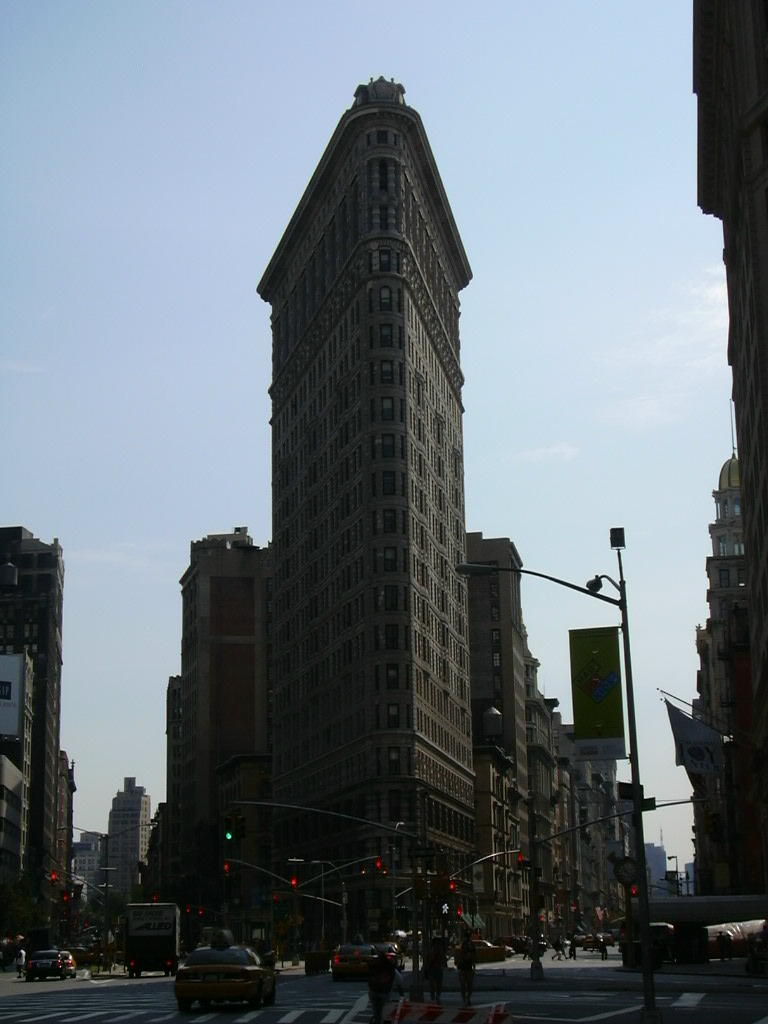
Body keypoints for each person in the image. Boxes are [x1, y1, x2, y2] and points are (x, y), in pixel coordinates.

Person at [368, 948, 404, 1024]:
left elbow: (369, 978)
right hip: (385, 992)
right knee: (385, 1012)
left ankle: (376, 1019)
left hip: (373, 991)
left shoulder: (374, 966)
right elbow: (400, 981)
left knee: (376, 1011)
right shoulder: (391, 969)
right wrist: (401, 995)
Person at [454, 932, 476, 1007]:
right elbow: (472, 957)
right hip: (465, 968)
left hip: (466, 968)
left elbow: (473, 957)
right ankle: (466, 999)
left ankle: (466, 999)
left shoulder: (468, 945)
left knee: (466, 985)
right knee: (467, 985)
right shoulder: (465, 945)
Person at [424, 937, 447, 1003]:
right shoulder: (431, 951)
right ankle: (434, 997)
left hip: (437, 969)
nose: (437, 945)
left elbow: (443, 959)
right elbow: (428, 960)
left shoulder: (440, 951)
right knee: (433, 984)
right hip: (432, 969)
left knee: (437, 984)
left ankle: (436, 996)